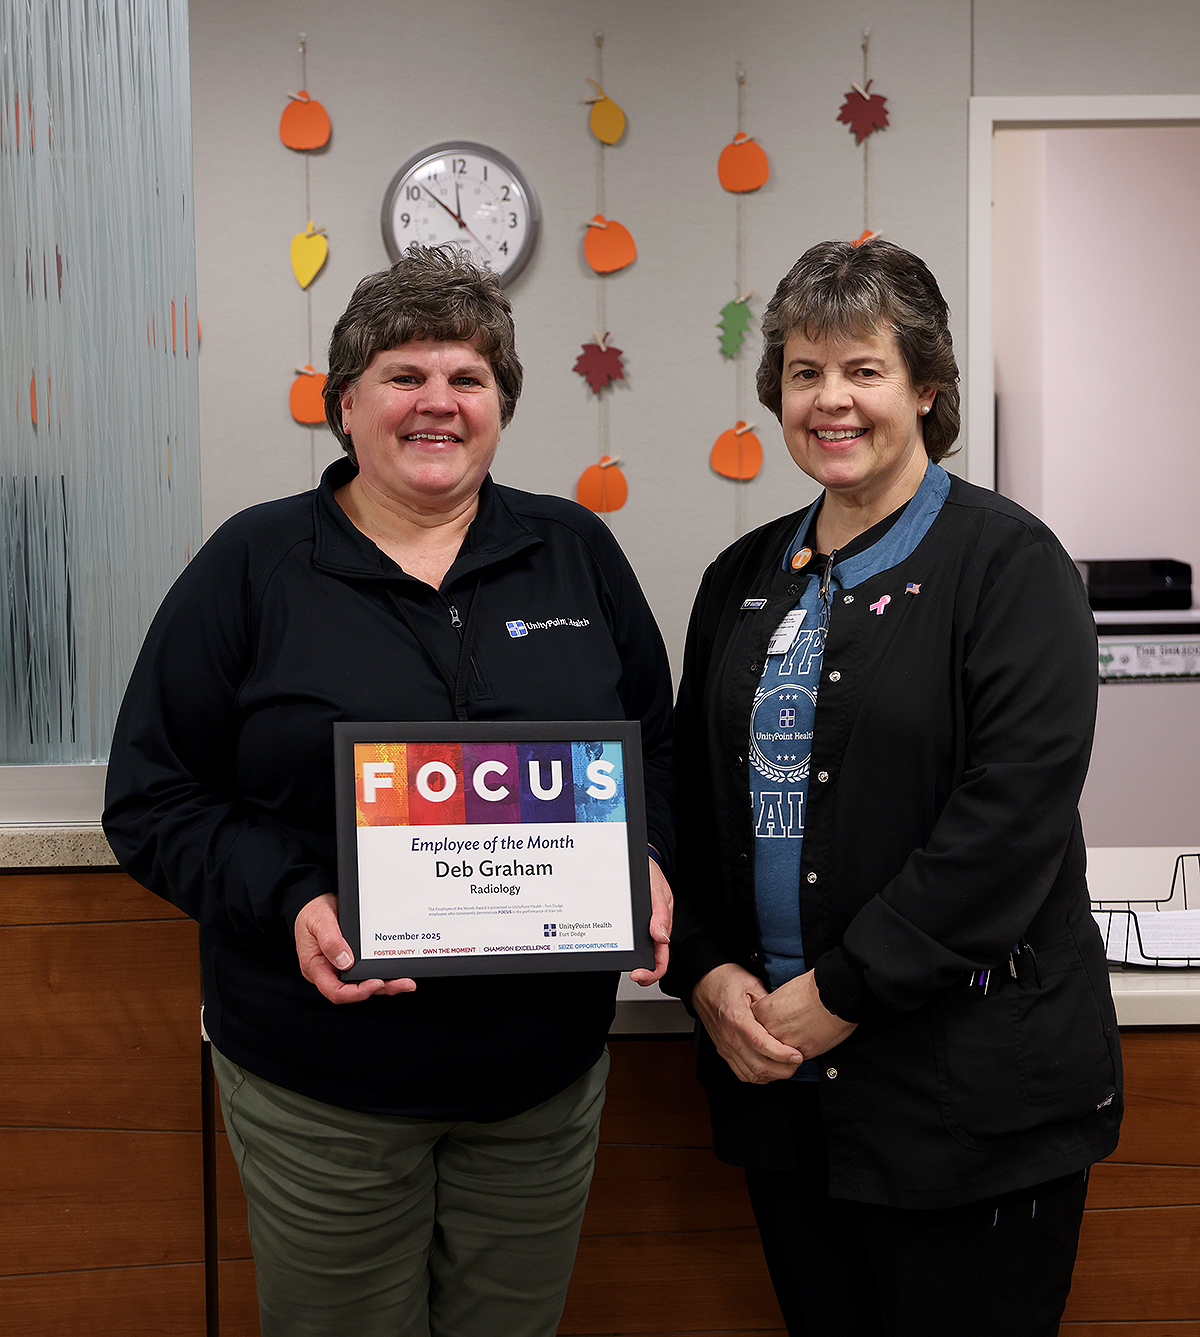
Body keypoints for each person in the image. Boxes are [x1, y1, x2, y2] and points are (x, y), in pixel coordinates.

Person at [103, 244, 674, 1337]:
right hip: (324, 1086)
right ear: (346, 404)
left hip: (541, 1083)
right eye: (404, 375)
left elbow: (660, 746)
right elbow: (154, 796)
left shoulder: (575, 550)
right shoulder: (254, 562)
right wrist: (294, 897)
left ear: (502, 404)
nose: (437, 402)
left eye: (468, 376)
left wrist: (646, 856)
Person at [662, 238, 1121, 1337]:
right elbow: (688, 797)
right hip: (783, 1087)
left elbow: (1006, 828)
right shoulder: (740, 579)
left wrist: (842, 993)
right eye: (805, 371)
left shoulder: (1010, 567)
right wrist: (706, 972)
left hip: (966, 1100)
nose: (832, 399)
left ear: (924, 387)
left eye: (863, 369)